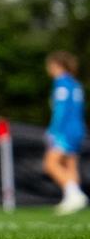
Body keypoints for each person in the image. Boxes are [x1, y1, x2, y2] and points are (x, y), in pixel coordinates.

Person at [45, 50, 85, 216]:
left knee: (50, 163)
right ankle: (70, 199)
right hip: (78, 128)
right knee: (70, 165)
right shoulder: (75, 84)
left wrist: (53, 129)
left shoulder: (61, 83)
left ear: (56, 65)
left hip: (65, 130)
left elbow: (61, 110)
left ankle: (75, 195)